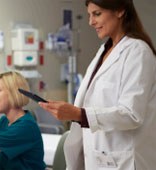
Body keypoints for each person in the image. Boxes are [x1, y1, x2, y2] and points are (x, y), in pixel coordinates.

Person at [39, 0, 156, 169]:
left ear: (120, 11)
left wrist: (80, 114)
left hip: (125, 161)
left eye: (97, 14)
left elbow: (131, 114)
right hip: (100, 158)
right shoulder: (104, 51)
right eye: (89, 15)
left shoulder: (138, 51)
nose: (91, 22)